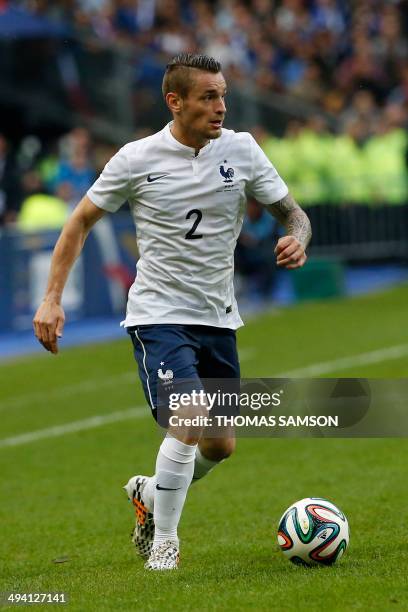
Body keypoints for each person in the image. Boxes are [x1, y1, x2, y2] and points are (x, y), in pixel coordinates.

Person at [33, 53, 311, 571]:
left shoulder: (242, 150)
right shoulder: (137, 159)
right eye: (209, 97)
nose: (221, 107)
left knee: (222, 444)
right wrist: (51, 298)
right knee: (189, 415)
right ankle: (164, 543)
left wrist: (297, 238)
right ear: (175, 101)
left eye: (223, 95)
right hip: (158, 313)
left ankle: (151, 493)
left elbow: (293, 213)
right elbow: (78, 224)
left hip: (218, 315)